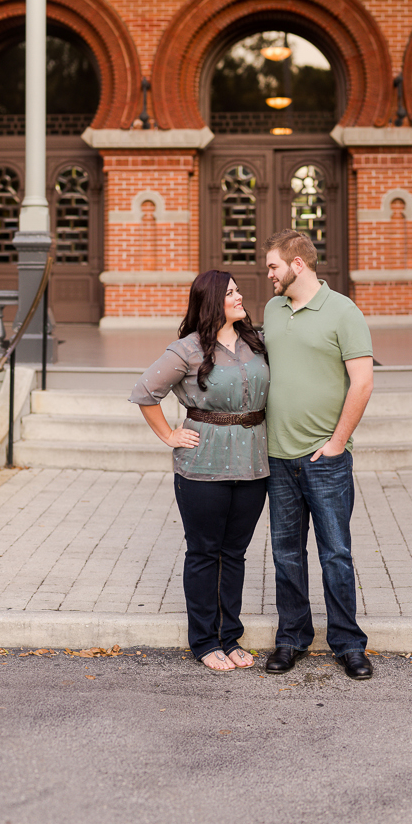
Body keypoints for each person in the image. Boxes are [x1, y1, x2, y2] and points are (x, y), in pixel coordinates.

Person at [130, 269, 269, 673]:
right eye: (231, 293)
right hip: (203, 466)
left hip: (253, 464)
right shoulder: (187, 350)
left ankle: (231, 636)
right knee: (205, 553)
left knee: (236, 554)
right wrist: (169, 435)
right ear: (212, 303)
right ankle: (205, 641)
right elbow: (145, 392)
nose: (240, 296)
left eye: (238, 290)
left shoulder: (255, 341)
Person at [260, 230, 375, 680]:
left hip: (324, 459)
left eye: (273, 266)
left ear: (298, 265)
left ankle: (348, 644)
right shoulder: (272, 308)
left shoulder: (343, 312)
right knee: (286, 554)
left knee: (335, 554)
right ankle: (291, 639)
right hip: (277, 458)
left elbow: (362, 382)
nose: (267, 274)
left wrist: (337, 444)